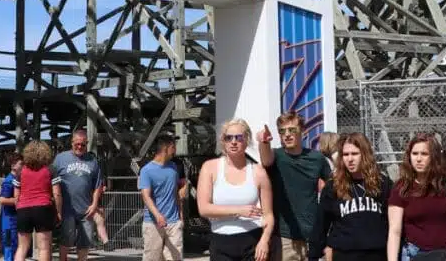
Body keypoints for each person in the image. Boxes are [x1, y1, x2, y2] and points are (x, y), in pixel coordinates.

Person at [387, 133, 446, 261]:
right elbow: (395, 231)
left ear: (434, 156)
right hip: (414, 254)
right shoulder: (401, 188)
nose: (418, 159)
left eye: (424, 154)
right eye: (415, 153)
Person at [257, 112, 332, 261]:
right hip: (285, 237)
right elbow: (266, 160)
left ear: (302, 131)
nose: (287, 135)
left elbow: (333, 187)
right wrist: (263, 142)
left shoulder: (317, 158)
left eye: (292, 130)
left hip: (314, 235)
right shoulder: (276, 156)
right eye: (282, 131)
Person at [197, 118, 275, 261]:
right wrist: (239, 210)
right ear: (223, 141)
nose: (234, 141)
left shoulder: (258, 172)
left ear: (247, 141)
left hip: (252, 241)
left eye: (239, 137)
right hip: (220, 243)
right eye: (229, 138)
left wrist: (264, 241)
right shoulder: (210, 168)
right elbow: (204, 208)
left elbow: (268, 214)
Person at [308, 133, 391, 261]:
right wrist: (314, 255)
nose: (350, 159)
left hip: (376, 253)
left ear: (365, 154)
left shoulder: (383, 183)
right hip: (344, 254)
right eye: (346, 155)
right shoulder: (333, 186)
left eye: (355, 154)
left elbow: (391, 223)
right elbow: (321, 224)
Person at [52, 128, 104, 261]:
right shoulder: (60, 159)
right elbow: (51, 180)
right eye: (77, 144)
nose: (80, 147)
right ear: (72, 142)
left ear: (87, 144)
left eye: (83, 144)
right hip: (67, 210)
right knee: (66, 240)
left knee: (85, 242)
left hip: (86, 209)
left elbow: (98, 185)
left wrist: (94, 205)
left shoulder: (92, 161)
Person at [139, 133, 187, 261]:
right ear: (167, 147)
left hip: (173, 222)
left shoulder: (174, 167)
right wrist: (157, 215)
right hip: (153, 223)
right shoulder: (146, 170)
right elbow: (146, 196)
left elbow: (175, 192)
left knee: (175, 258)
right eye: (173, 146)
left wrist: (180, 215)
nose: (175, 150)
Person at [13, 140, 60, 261]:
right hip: (43, 208)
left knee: (22, 247)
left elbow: (16, 195)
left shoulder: (21, 171)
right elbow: (57, 193)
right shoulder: (50, 169)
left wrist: (18, 208)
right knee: (43, 248)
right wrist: (59, 212)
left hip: (23, 209)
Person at [0, 152, 23, 261]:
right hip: (8, 221)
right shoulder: (9, 181)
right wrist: (19, 200)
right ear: (13, 165)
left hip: (14, 219)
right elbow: (2, 200)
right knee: (9, 247)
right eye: (21, 164)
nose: (23, 167)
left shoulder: (17, 179)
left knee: (14, 247)